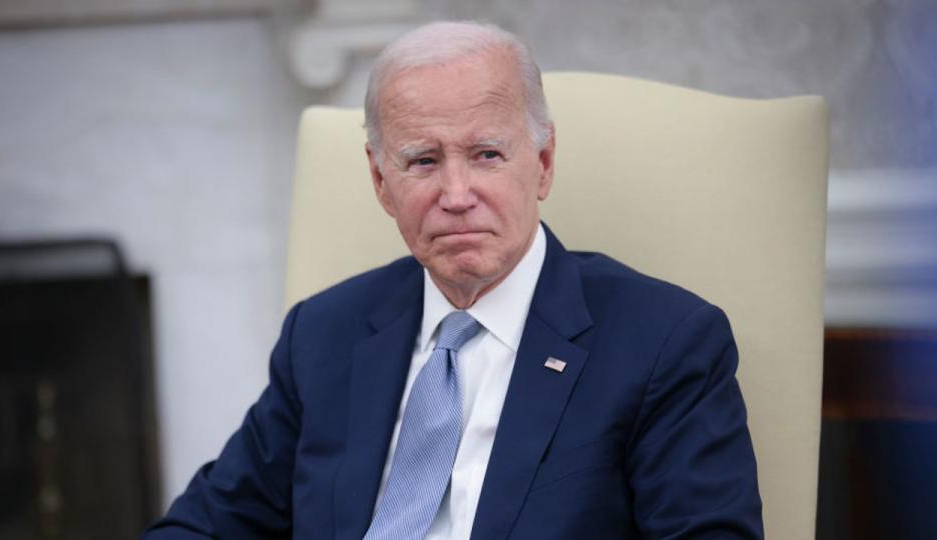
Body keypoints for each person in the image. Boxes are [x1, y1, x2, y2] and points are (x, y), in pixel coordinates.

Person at [145, 21, 762, 539]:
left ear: (543, 164)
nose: (456, 195)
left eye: (487, 155)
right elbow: (205, 525)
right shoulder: (323, 335)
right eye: (423, 161)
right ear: (381, 182)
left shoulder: (664, 343)